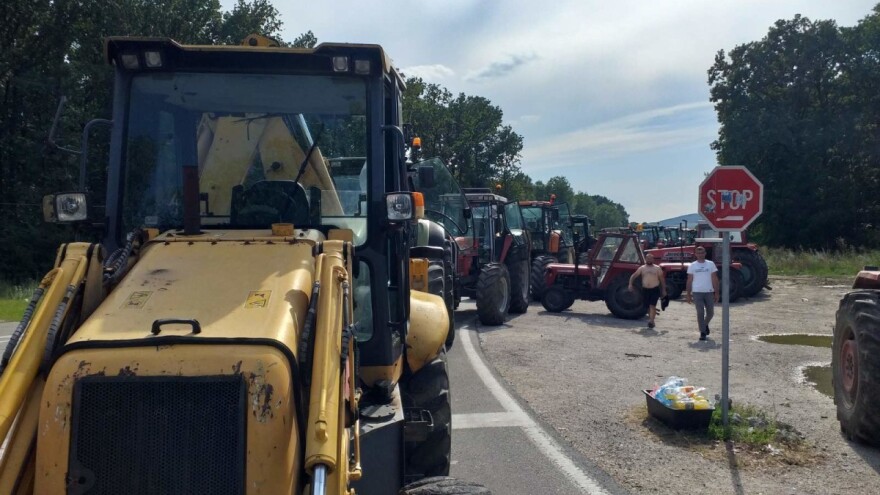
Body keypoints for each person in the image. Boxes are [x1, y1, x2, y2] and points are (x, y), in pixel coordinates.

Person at [686, 246, 719, 340]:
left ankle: (704, 325)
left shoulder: (710, 264)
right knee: (700, 312)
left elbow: (714, 278)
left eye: (702, 253)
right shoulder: (692, 265)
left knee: (710, 313)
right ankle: (703, 332)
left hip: (709, 291)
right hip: (697, 292)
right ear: (695, 254)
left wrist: (717, 292)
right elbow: (689, 280)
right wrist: (688, 294)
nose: (700, 255)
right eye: (698, 253)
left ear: (705, 253)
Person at [629, 253, 666, 329]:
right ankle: (651, 318)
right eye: (647, 258)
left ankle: (651, 321)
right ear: (645, 259)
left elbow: (662, 280)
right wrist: (630, 284)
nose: (649, 260)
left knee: (652, 305)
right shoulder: (642, 268)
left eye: (650, 258)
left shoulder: (657, 268)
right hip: (645, 289)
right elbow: (633, 276)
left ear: (653, 259)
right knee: (647, 307)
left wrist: (664, 290)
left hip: (654, 289)